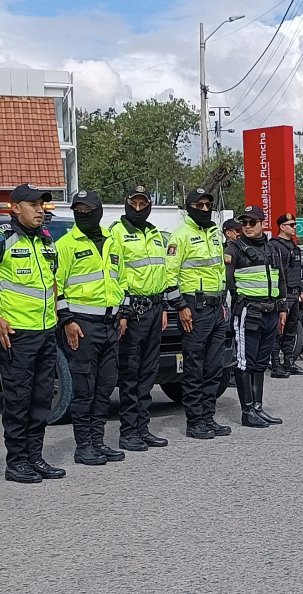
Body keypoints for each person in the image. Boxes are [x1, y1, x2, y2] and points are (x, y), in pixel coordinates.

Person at [0, 184, 66, 482]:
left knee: (41, 399)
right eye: (33, 205)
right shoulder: (0, 240)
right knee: (18, 401)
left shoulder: (46, 241)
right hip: (16, 334)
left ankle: (35, 457)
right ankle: (16, 462)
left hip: (45, 332)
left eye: (42, 205)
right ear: (15, 207)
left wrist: (56, 311)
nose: (40, 209)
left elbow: (52, 280)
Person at [56, 190, 126, 465]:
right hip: (82, 324)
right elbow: (56, 286)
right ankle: (83, 445)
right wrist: (67, 321)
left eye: (87, 210)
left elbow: (121, 278)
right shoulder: (65, 245)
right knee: (85, 387)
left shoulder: (111, 242)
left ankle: (98, 441)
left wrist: (123, 312)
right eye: (78, 210)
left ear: (98, 211)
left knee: (105, 385)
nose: (82, 214)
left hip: (110, 323)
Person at [111, 186, 173, 453]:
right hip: (132, 310)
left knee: (148, 373)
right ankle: (128, 432)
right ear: (126, 204)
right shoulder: (116, 232)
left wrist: (165, 307)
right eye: (133, 203)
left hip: (155, 308)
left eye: (142, 203)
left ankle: (142, 428)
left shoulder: (155, 233)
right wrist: (122, 311)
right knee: (130, 373)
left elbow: (161, 272)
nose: (138, 208)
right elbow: (114, 274)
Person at [166, 188, 230, 440]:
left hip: (216, 307)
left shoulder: (215, 233)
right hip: (194, 308)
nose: (205, 209)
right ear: (189, 208)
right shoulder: (180, 236)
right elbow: (170, 275)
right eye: (200, 205)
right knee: (195, 366)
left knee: (214, 367)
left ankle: (208, 417)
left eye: (208, 205)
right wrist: (181, 307)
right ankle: (194, 421)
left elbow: (218, 271)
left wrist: (224, 299)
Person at [225, 206, 287, 428]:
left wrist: (282, 308)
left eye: (253, 222)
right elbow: (228, 281)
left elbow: (280, 279)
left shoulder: (272, 249)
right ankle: (247, 411)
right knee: (245, 362)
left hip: (270, 312)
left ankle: (258, 407)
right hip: (248, 312)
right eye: (245, 223)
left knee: (261, 362)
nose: (248, 226)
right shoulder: (235, 248)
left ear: (263, 223)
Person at [267, 213, 303, 377]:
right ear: (282, 227)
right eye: (291, 225)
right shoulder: (274, 246)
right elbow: (277, 273)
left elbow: (296, 271)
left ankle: (289, 361)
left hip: (294, 294)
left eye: (294, 225)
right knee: (278, 331)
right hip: (281, 295)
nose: (294, 228)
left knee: (291, 330)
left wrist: (301, 290)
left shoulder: (294, 246)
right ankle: (276, 364)